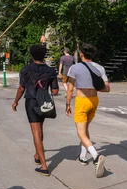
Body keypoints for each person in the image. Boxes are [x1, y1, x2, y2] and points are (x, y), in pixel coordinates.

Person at [12, 45, 59, 177]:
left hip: (31, 101)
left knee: (36, 132)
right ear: (44, 55)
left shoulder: (26, 69)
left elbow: (21, 88)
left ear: (31, 55)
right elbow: (55, 91)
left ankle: (44, 166)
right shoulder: (50, 71)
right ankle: (38, 155)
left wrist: (16, 101)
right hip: (44, 101)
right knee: (40, 129)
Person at [66, 43, 110, 178]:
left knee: (80, 132)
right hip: (94, 101)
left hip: (82, 101)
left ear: (81, 54)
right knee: (85, 129)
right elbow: (107, 88)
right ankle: (83, 157)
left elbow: (70, 88)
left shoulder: (75, 68)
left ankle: (96, 157)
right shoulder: (99, 68)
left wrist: (68, 103)